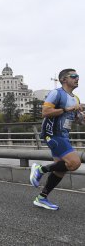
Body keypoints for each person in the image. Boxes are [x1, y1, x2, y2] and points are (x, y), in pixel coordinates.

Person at [30, 68, 83, 210]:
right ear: (64, 79)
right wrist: (68, 109)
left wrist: (81, 116)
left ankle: (41, 198)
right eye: (74, 76)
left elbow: (76, 119)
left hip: (64, 135)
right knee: (74, 162)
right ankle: (40, 169)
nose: (77, 78)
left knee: (61, 169)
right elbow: (45, 112)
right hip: (52, 134)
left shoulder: (75, 98)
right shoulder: (56, 93)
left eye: (78, 76)